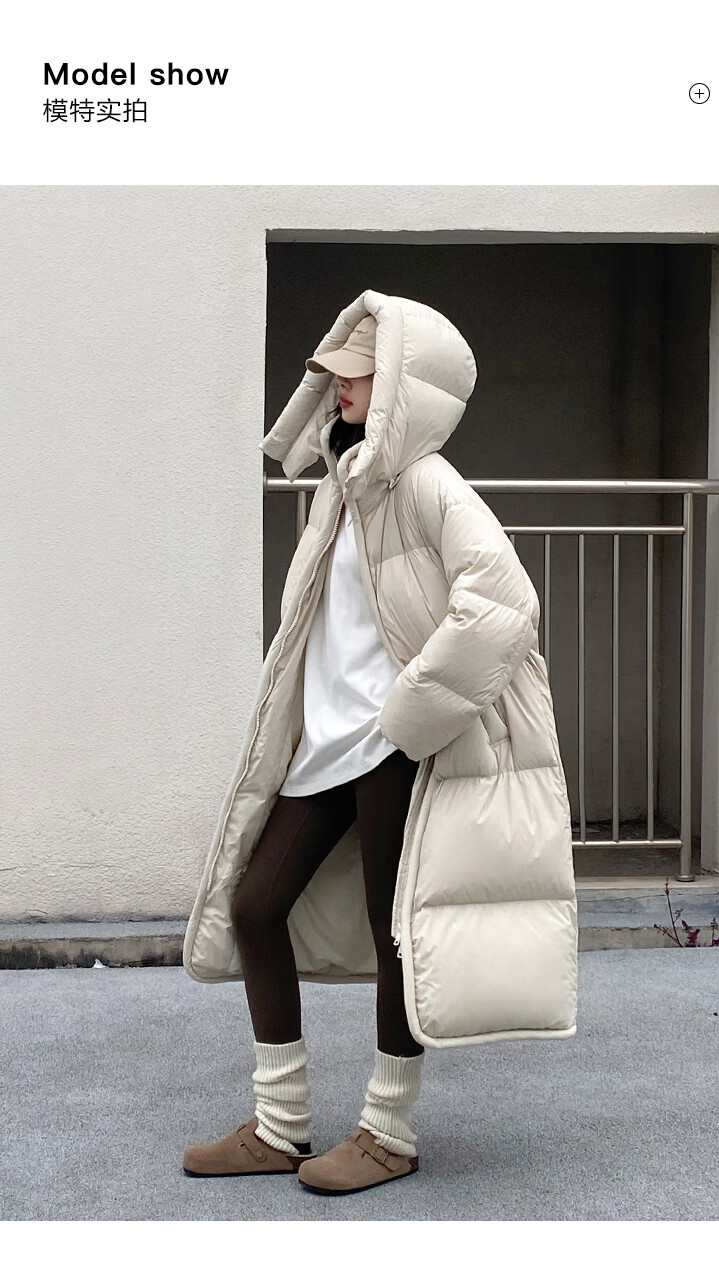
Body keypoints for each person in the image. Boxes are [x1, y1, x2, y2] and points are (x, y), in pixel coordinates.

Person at [182, 292, 577, 1197]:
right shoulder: (342, 481)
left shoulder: (431, 483)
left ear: (399, 382)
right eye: (336, 372)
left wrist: (410, 717)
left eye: (358, 373)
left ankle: (388, 1133)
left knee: (394, 932)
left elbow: (506, 603)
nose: (341, 385)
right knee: (254, 905)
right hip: (328, 743)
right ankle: (279, 1125)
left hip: (391, 745)